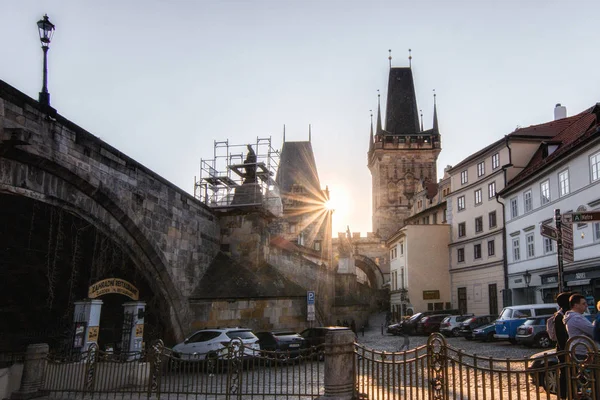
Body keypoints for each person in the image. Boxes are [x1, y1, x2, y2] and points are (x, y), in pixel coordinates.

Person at [564, 293, 594, 357]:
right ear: (576, 305)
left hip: (578, 349)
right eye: (583, 303)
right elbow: (593, 331)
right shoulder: (576, 318)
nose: (586, 305)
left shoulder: (572, 317)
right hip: (582, 352)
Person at [554, 291, 571, 400]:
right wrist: (565, 351)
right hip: (563, 349)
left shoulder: (565, 314)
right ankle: (563, 395)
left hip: (566, 349)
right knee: (564, 373)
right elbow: (560, 337)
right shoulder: (559, 316)